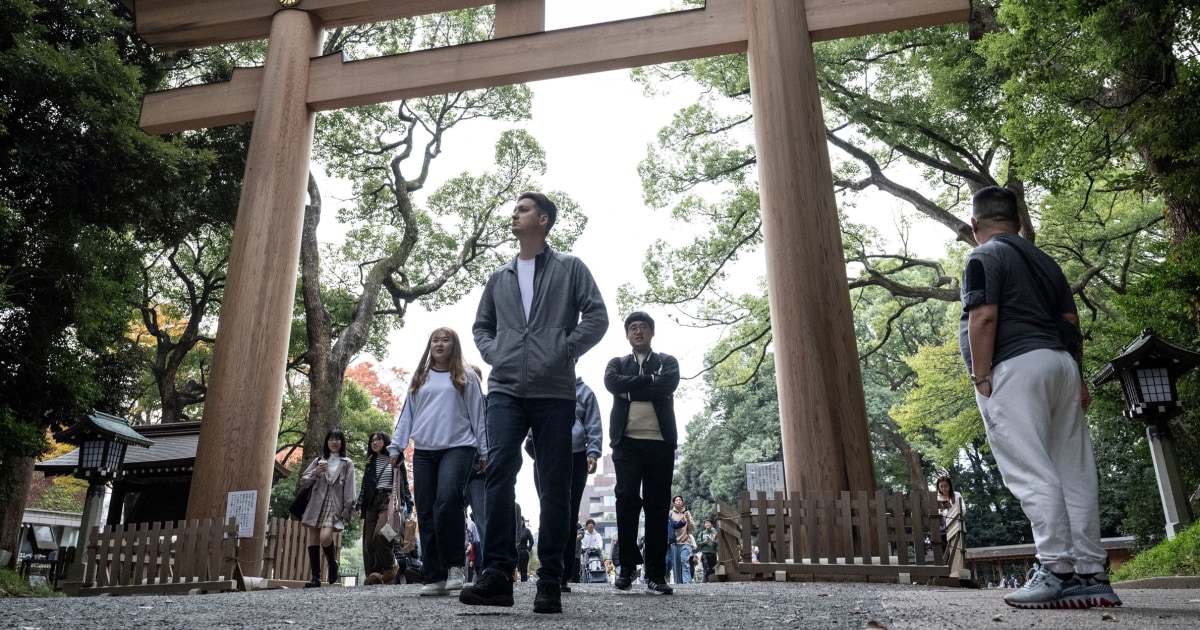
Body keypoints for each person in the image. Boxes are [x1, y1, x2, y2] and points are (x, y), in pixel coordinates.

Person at [959, 186, 1120, 610]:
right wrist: (1078, 377)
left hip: (1014, 366)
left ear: (975, 224)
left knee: (1031, 470)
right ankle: (1092, 573)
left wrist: (980, 375)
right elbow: (1069, 320)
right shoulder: (1046, 262)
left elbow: (984, 314)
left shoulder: (982, 256)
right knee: (1074, 470)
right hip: (1060, 364)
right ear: (1020, 223)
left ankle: (1055, 571)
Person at [460, 191, 608, 615]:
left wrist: (564, 349)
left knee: (556, 485)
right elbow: (481, 326)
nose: (514, 214)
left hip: (554, 390)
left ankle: (550, 582)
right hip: (505, 388)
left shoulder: (570, 267)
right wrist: (496, 353)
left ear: (543, 220)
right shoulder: (500, 277)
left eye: (523, 209)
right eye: (515, 209)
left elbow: (596, 316)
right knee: (499, 472)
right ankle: (497, 576)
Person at [390, 327, 488, 597]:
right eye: (435, 340)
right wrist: (396, 445)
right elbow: (407, 414)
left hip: (459, 447)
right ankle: (435, 576)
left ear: (454, 346)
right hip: (424, 450)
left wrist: (484, 451)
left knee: (447, 502)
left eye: (446, 340)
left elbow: (478, 415)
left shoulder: (465, 376)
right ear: (429, 345)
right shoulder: (420, 377)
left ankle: (455, 566)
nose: (440, 344)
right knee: (426, 511)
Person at [605, 311, 680, 595]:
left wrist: (631, 390)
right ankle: (626, 566)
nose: (638, 331)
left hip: (660, 441)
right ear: (627, 335)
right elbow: (612, 383)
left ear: (651, 332)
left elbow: (667, 384)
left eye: (644, 327)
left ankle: (656, 573)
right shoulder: (617, 363)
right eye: (633, 328)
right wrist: (649, 381)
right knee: (626, 500)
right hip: (626, 442)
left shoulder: (667, 362)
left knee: (658, 504)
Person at [526, 375, 603, 592]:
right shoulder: (541, 385)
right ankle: (548, 568)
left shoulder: (585, 392)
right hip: (545, 453)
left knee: (569, 512)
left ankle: (563, 573)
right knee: (548, 510)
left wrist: (594, 452)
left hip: (576, 455)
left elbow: (593, 423)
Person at [297, 428, 356, 588]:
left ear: (342, 442)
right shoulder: (318, 461)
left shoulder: (347, 463)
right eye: (331, 439)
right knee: (313, 538)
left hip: (334, 504)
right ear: (327, 442)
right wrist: (316, 472)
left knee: (325, 537)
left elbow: (350, 489)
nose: (334, 442)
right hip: (316, 503)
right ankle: (316, 578)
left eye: (338, 439)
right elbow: (303, 480)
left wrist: (347, 509)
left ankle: (332, 563)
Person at [357, 431, 409, 585]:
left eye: (378, 439)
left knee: (381, 534)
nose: (374, 442)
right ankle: (375, 573)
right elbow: (365, 486)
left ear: (385, 441)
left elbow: (403, 482)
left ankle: (391, 564)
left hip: (388, 501)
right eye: (372, 440)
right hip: (372, 502)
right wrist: (360, 504)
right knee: (369, 541)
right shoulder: (370, 464)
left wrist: (408, 504)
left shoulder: (395, 460)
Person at [936, 475, 967, 580]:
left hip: (956, 527)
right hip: (942, 529)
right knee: (943, 551)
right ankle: (944, 575)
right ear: (938, 487)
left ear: (950, 486)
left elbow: (963, 510)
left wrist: (952, 507)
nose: (944, 489)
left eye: (946, 486)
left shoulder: (956, 495)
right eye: (941, 486)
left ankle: (957, 574)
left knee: (958, 551)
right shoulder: (936, 498)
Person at [667, 496, 695, 585]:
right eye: (677, 500)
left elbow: (691, 528)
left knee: (684, 561)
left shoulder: (687, 513)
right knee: (676, 565)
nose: (679, 501)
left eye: (680, 500)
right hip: (674, 542)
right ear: (674, 503)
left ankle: (687, 582)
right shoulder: (670, 513)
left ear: (682, 502)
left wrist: (688, 520)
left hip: (686, 541)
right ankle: (678, 582)